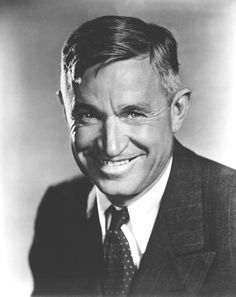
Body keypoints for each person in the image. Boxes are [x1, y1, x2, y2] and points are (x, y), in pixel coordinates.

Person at [29, 15, 236, 297]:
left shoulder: (230, 214)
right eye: (88, 115)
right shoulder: (58, 210)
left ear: (177, 110)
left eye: (134, 113)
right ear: (64, 109)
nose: (112, 147)